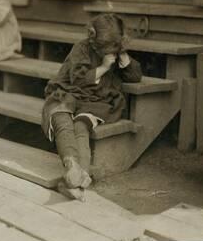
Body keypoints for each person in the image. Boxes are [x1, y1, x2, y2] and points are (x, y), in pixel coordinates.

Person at [41, 13, 143, 201]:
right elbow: (78, 80)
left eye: (116, 46)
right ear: (94, 40)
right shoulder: (81, 48)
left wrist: (124, 58)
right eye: (108, 47)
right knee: (61, 116)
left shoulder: (116, 51)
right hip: (70, 91)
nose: (111, 51)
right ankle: (71, 163)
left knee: (81, 126)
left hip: (97, 100)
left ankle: (80, 177)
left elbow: (135, 76)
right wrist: (104, 67)